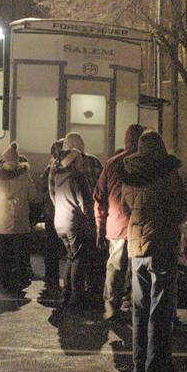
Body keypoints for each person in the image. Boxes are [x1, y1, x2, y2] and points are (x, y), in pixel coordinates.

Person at [122, 130, 187, 372]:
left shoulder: (129, 173)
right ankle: (157, 368)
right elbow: (182, 206)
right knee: (160, 309)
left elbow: (126, 207)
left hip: (136, 246)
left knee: (139, 308)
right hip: (161, 243)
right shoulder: (167, 172)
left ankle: (138, 365)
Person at [95, 124, 144, 320]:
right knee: (138, 269)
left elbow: (99, 197)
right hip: (140, 225)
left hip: (117, 225)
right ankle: (134, 305)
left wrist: (100, 227)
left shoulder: (111, 164)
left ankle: (111, 304)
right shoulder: (146, 164)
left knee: (115, 266)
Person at [0, 142, 39, 293]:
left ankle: (5, 279)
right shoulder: (25, 175)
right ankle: (21, 278)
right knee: (21, 253)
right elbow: (33, 196)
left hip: (1, 222)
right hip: (20, 221)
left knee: (4, 253)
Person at [51, 147, 96, 307]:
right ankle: (76, 296)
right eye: (79, 160)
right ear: (74, 162)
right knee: (77, 258)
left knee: (70, 256)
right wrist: (92, 221)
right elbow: (84, 202)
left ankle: (66, 292)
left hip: (60, 222)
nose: (82, 162)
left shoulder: (58, 176)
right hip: (74, 222)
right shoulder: (78, 177)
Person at [62, 132, 104, 295]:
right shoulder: (94, 162)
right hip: (92, 214)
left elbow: (52, 192)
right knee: (91, 252)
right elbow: (103, 188)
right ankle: (91, 287)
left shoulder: (60, 167)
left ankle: (71, 292)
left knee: (73, 256)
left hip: (70, 217)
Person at [39, 139, 65, 298]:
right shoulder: (64, 166)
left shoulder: (49, 168)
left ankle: (51, 277)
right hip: (63, 213)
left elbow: (44, 189)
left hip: (51, 212)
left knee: (51, 246)